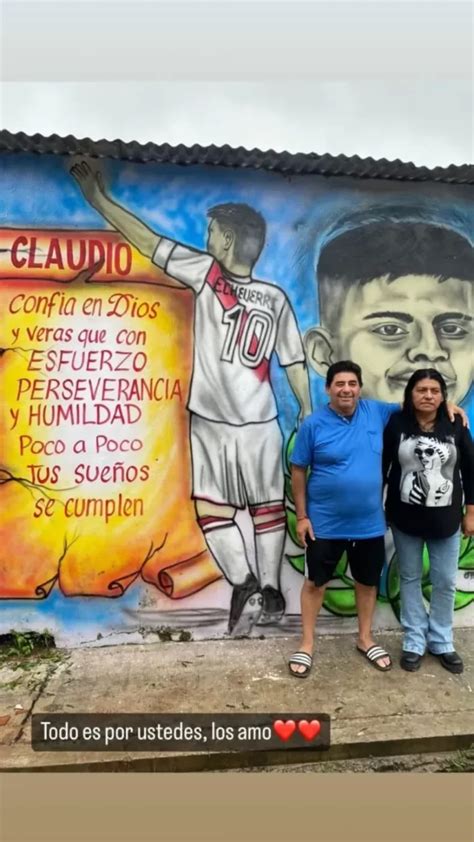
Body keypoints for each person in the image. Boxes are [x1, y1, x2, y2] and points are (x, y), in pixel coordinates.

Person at [70, 161, 312, 636]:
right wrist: (304, 409)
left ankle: (242, 583)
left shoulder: (206, 274)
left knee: (213, 511)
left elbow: (149, 242)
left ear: (224, 241)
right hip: (263, 422)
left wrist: (99, 201)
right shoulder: (276, 297)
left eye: (210, 232)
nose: (206, 239)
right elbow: (294, 362)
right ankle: (271, 587)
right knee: (266, 509)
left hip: (212, 420)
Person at [288, 361, 398, 676]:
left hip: (368, 524)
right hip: (324, 524)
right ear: (328, 389)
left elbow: (416, 405)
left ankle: (365, 638)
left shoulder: (377, 413)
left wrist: (446, 403)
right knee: (315, 583)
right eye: (339, 384)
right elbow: (298, 470)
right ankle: (306, 644)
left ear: (359, 387)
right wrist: (302, 517)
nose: (346, 389)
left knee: (366, 582)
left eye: (352, 383)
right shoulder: (313, 424)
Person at [304, 220, 473, 405]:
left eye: (453, 330)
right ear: (324, 353)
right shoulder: (319, 432)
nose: (430, 350)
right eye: (390, 330)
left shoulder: (459, 433)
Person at [383, 369, 474, 673]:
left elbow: (471, 471)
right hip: (404, 518)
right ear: (410, 394)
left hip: (446, 520)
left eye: (435, 390)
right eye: (421, 390)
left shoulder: (456, 423)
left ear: (442, 396)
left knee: (445, 581)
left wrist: (471, 511)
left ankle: (442, 641)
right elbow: (384, 465)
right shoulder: (397, 423)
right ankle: (413, 641)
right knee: (409, 577)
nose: (428, 395)